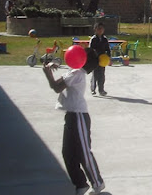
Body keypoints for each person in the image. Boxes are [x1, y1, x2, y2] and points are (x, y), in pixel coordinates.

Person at [42, 48, 105, 195]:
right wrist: (53, 66)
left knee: (84, 152)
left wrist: (47, 74)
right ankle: (81, 184)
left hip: (79, 117)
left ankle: (98, 183)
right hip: (71, 116)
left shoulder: (77, 73)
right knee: (68, 153)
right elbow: (63, 78)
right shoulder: (75, 72)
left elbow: (56, 87)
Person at [89, 23, 111, 96]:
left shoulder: (104, 39)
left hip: (103, 60)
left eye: (101, 28)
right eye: (98, 29)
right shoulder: (93, 39)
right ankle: (93, 89)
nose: (100, 30)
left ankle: (101, 90)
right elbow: (91, 49)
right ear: (95, 30)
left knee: (101, 75)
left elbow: (108, 49)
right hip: (95, 59)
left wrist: (109, 58)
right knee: (95, 75)